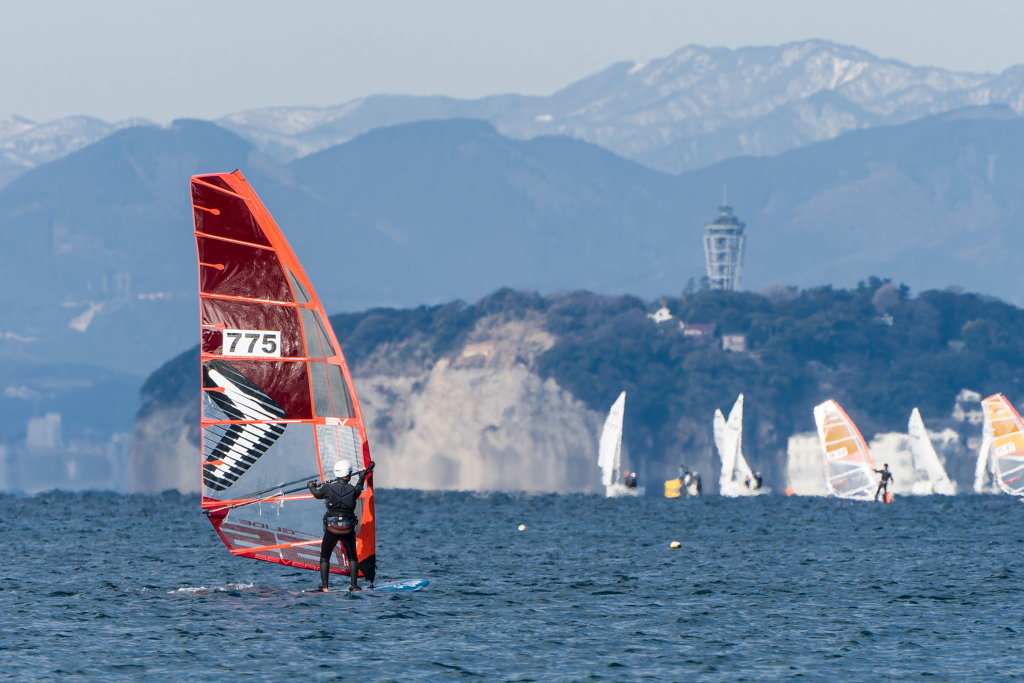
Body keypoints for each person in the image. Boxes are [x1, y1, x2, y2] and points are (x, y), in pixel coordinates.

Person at [307, 459, 375, 592]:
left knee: (325, 557)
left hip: (332, 528)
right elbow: (360, 486)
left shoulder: (328, 488)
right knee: (352, 557)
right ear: (349, 475)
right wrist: (362, 476)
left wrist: (310, 486)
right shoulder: (353, 490)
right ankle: (354, 585)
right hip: (347, 529)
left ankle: (325, 588)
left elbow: (316, 494)